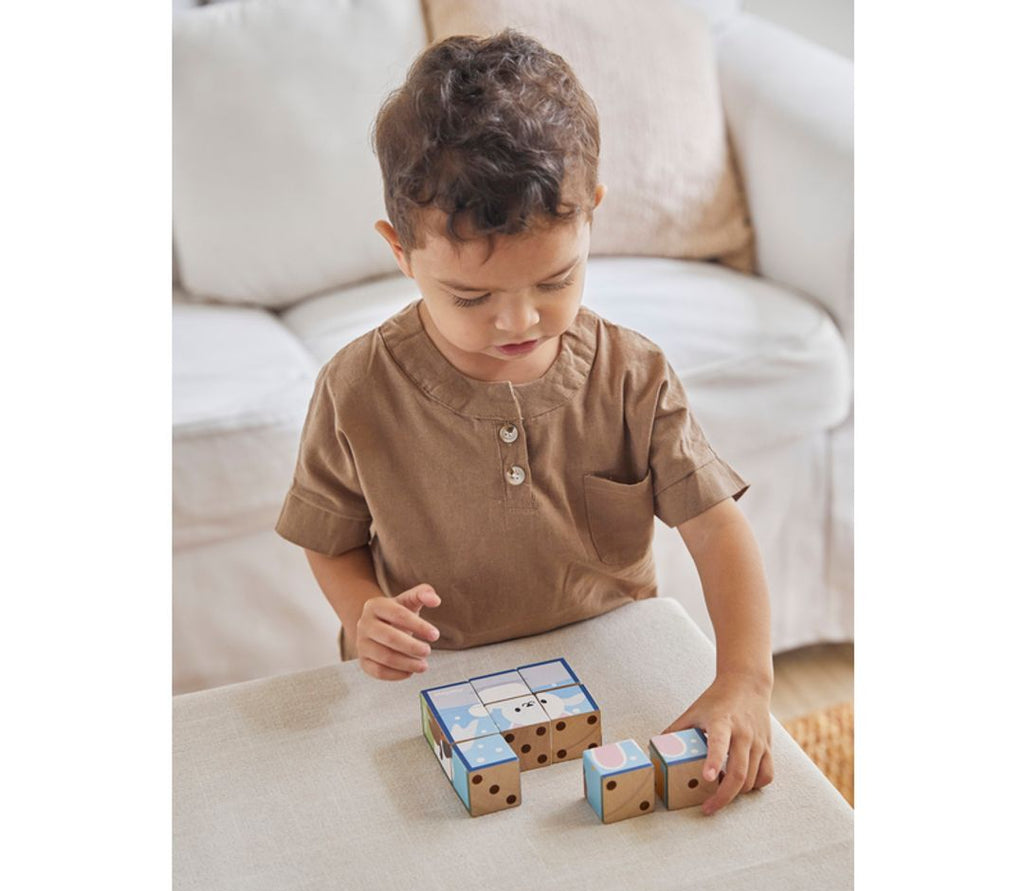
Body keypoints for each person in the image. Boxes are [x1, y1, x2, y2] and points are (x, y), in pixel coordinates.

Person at [275, 29, 773, 813]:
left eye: (556, 280)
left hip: (607, 672)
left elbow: (716, 531)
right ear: (401, 253)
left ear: (592, 219)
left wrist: (743, 679)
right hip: (435, 690)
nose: (520, 321)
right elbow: (327, 541)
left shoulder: (632, 375)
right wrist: (359, 612)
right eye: (470, 298)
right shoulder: (357, 388)